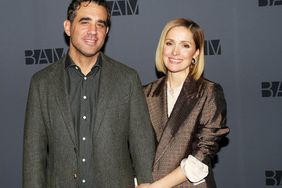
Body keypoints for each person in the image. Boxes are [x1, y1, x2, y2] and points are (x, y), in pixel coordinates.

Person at [23, 0, 155, 187]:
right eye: (85, 22)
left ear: (106, 32)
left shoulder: (127, 79)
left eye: (100, 24)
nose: (93, 31)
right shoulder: (42, 83)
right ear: (68, 27)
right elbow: (33, 157)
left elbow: (143, 147)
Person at [138, 18, 230, 188]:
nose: (175, 52)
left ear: (196, 52)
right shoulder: (145, 93)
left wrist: (157, 187)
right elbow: (136, 147)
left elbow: (202, 154)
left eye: (185, 45)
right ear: (162, 47)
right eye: (170, 43)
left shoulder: (208, 92)